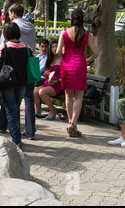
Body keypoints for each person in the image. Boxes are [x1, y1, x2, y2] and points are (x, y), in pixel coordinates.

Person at [0, 3, 37, 140]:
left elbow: (0, 54)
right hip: (26, 73)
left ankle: (14, 136)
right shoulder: (31, 28)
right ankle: (30, 131)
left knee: (12, 106)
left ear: (12, 13)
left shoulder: (9, 28)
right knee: (27, 101)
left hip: (10, 75)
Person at [56, 8, 99, 137]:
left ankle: (70, 122)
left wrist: (65, 53)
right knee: (79, 96)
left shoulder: (64, 33)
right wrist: (87, 59)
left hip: (66, 65)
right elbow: (96, 53)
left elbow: (58, 52)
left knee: (68, 95)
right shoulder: (86, 34)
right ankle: (73, 124)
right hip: (80, 64)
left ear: (71, 18)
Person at [0, 22, 31, 149]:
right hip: (22, 83)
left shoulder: (4, 47)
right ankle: (15, 137)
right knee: (15, 108)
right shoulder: (27, 47)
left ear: (6, 34)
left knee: (12, 111)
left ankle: (17, 140)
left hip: (8, 83)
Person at [34, 41, 64, 120]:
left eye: (56, 46)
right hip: (49, 82)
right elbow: (45, 73)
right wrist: (46, 73)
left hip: (58, 84)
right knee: (35, 91)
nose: (54, 49)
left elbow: (66, 76)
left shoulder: (63, 59)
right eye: (53, 47)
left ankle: (52, 110)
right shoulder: (50, 59)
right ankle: (37, 109)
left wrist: (57, 81)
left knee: (42, 92)